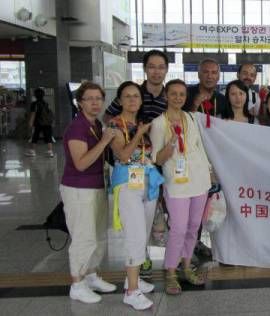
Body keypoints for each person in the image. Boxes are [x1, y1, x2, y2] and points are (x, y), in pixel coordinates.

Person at [150, 79, 213, 295]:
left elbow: (198, 146)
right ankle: (170, 271)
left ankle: (186, 266)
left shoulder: (190, 118)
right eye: (174, 94)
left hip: (199, 179)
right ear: (166, 96)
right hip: (176, 183)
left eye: (182, 94)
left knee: (194, 225)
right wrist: (169, 149)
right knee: (178, 227)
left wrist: (209, 170)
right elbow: (156, 159)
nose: (178, 98)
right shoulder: (159, 123)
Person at [60, 81, 117, 303]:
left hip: (96, 187)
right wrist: (104, 142)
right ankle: (77, 283)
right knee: (84, 238)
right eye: (89, 99)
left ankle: (91, 275)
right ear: (80, 102)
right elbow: (81, 163)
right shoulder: (77, 127)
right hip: (78, 189)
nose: (95, 103)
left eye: (98, 99)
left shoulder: (95, 125)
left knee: (99, 236)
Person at [108, 81, 164, 310]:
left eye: (136, 96)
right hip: (128, 185)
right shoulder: (114, 124)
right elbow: (122, 155)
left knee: (144, 233)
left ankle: (134, 277)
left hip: (148, 181)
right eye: (127, 96)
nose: (132, 100)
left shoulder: (142, 123)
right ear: (120, 100)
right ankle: (131, 291)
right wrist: (139, 133)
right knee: (136, 235)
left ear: (141, 100)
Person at [104, 50, 169, 123]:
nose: (156, 71)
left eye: (161, 67)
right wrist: (120, 130)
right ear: (144, 68)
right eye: (152, 67)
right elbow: (108, 115)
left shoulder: (171, 98)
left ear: (166, 69)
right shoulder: (132, 92)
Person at [26, 87, 55, 157]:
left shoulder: (34, 104)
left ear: (35, 95)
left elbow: (33, 114)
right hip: (47, 123)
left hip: (38, 123)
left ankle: (32, 151)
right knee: (48, 137)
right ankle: (50, 151)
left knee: (35, 136)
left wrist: (30, 123)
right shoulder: (45, 103)